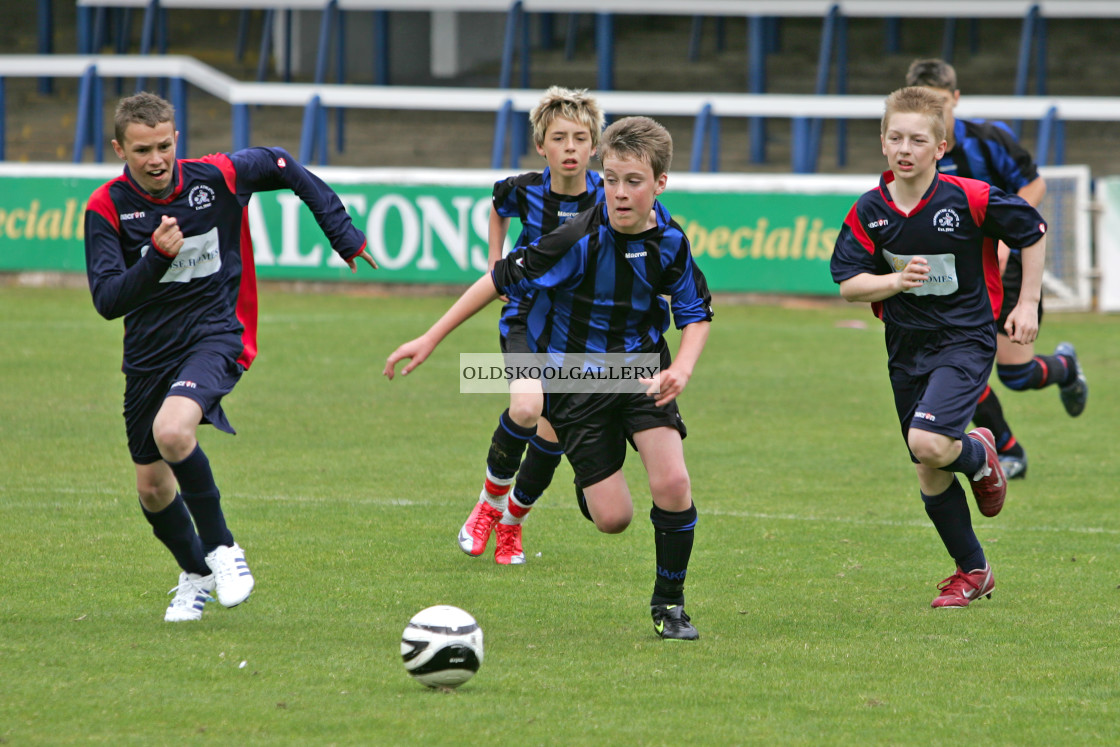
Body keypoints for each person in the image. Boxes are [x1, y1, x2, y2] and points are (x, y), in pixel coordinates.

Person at [385, 116, 713, 639]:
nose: (620, 193)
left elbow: (695, 312)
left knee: (672, 483)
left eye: (634, 181)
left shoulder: (671, 241)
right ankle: (581, 475)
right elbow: (497, 280)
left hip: (640, 372)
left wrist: (682, 367)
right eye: (610, 179)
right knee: (613, 519)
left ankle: (669, 606)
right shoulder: (576, 237)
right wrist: (429, 338)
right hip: (574, 381)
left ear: (660, 183)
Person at [84, 92, 376, 622]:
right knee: (151, 488)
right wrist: (156, 259)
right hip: (149, 355)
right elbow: (107, 301)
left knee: (173, 432)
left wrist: (342, 232)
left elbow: (281, 162)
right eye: (143, 149)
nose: (156, 159)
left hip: (219, 333)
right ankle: (195, 574)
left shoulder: (215, 178)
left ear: (178, 139)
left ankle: (224, 551)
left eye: (165, 145)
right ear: (119, 149)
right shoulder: (106, 207)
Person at [830, 87, 1047, 608]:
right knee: (926, 462)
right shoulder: (870, 211)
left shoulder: (969, 197)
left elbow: (1032, 230)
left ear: (940, 147)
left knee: (928, 442)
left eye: (918, 139)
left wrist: (1027, 304)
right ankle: (974, 571)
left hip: (966, 339)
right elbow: (847, 283)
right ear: (883, 143)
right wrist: (895, 282)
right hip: (906, 346)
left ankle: (980, 456)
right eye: (896, 137)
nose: (906, 148)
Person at [906, 58, 1088, 479]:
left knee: (1018, 374)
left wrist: (1004, 237)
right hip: (954, 273)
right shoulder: (911, 149)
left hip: (1006, 265)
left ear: (956, 98)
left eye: (939, 105)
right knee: (953, 363)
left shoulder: (987, 140)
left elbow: (1035, 184)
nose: (932, 116)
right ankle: (1008, 449)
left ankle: (1064, 368)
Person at [459, 86, 605, 566]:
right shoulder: (522, 188)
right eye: (559, 138)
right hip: (525, 313)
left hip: (580, 323)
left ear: (593, 146)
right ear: (541, 146)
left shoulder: (608, 195)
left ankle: (513, 524)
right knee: (525, 407)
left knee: (553, 432)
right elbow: (498, 209)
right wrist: (494, 262)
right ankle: (489, 504)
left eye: (579, 138)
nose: (570, 147)